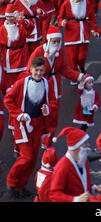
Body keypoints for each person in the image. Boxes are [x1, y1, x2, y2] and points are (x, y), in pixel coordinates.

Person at [4, 57, 56, 199]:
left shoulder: (47, 84)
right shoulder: (22, 83)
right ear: (31, 69)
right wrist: (19, 115)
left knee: (32, 159)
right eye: (36, 70)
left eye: (41, 70)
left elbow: (53, 102)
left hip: (38, 124)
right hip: (23, 126)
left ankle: (21, 186)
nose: (39, 73)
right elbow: (8, 100)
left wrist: (48, 110)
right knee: (26, 157)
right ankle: (11, 181)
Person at [49, 127, 101, 202]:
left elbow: (82, 183)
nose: (88, 145)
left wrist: (93, 188)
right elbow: (54, 194)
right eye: (85, 143)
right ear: (77, 146)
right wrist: (75, 200)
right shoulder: (63, 166)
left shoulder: (82, 160)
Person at [57, 0, 98, 74]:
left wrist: (94, 29)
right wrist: (62, 22)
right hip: (71, 32)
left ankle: (81, 66)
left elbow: (92, 18)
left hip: (84, 31)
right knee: (72, 57)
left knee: (82, 56)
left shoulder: (86, 3)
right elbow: (60, 17)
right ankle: (74, 73)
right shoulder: (66, 4)